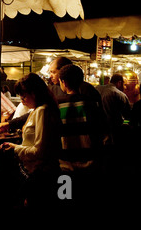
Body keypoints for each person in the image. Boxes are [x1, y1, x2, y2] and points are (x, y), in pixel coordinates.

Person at [0, 73, 61, 208]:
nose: (22, 101)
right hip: (39, 171)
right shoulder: (38, 110)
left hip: (40, 174)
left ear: (35, 93)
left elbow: (39, 151)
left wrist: (15, 147)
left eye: (24, 96)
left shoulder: (42, 111)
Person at [56, 64, 105, 206]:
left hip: (64, 165)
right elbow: (102, 131)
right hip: (91, 166)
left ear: (63, 82)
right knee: (87, 202)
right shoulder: (93, 103)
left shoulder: (57, 104)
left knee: (65, 201)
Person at [96, 73, 131, 145]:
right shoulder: (120, 94)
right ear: (119, 83)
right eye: (124, 85)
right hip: (116, 130)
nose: (125, 88)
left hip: (100, 129)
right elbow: (128, 114)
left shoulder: (98, 89)